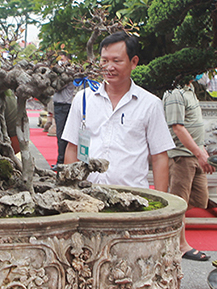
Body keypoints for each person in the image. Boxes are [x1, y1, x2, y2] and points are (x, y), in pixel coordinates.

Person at [61, 32, 173, 192]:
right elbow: (72, 148)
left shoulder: (150, 104)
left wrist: (162, 202)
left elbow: (159, 156)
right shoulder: (83, 99)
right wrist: (70, 190)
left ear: (133, 62)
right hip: (88, 194)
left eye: (116, 61)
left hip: (132, 198)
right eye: (104, 60)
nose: (109, 67)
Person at [163, 81, 216, 261]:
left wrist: (202, 150)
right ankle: (180, 245)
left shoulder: (190, 89)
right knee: (179, 202)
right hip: (181, 156)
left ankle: (165, 225)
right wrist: (198, 153)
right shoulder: (174, 93)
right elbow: (177, 127)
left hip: (195, 153)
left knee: (200, 199)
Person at [51, 74, 75, 169]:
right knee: (60, 135)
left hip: (63, 107)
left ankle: (61, 162)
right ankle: (61, 161)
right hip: (60, 106)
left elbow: (56, 87)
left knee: (61, 136)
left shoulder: (67, 77)